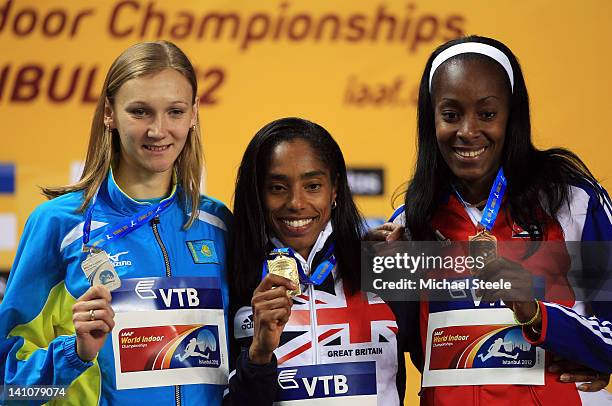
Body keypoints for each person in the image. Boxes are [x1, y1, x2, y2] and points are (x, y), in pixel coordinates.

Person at [379, 35, 612, 404]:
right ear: (431, 118)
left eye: (487, 114)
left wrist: (540, 316)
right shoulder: (412, 221)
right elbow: (400, 352)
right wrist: (380, 281)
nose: (468, 131)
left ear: (512, 116)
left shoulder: (571, 201)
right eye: (451, 114)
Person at [0, 41, 231, 404]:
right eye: (140, 112)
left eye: (175, 111)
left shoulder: (216, 223)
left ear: (194, 114)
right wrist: (75, 354)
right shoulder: (60, 225)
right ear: (109, 113)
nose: (158, 130)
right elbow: (8, 388)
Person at [223, 117, 419, 405]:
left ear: (335, 188)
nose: (296, 202)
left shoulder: (378, 265)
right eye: (278, 187)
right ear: (258, 194)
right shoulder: (235, 277)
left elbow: (439, 359)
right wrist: (259, 356)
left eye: (313, 186)